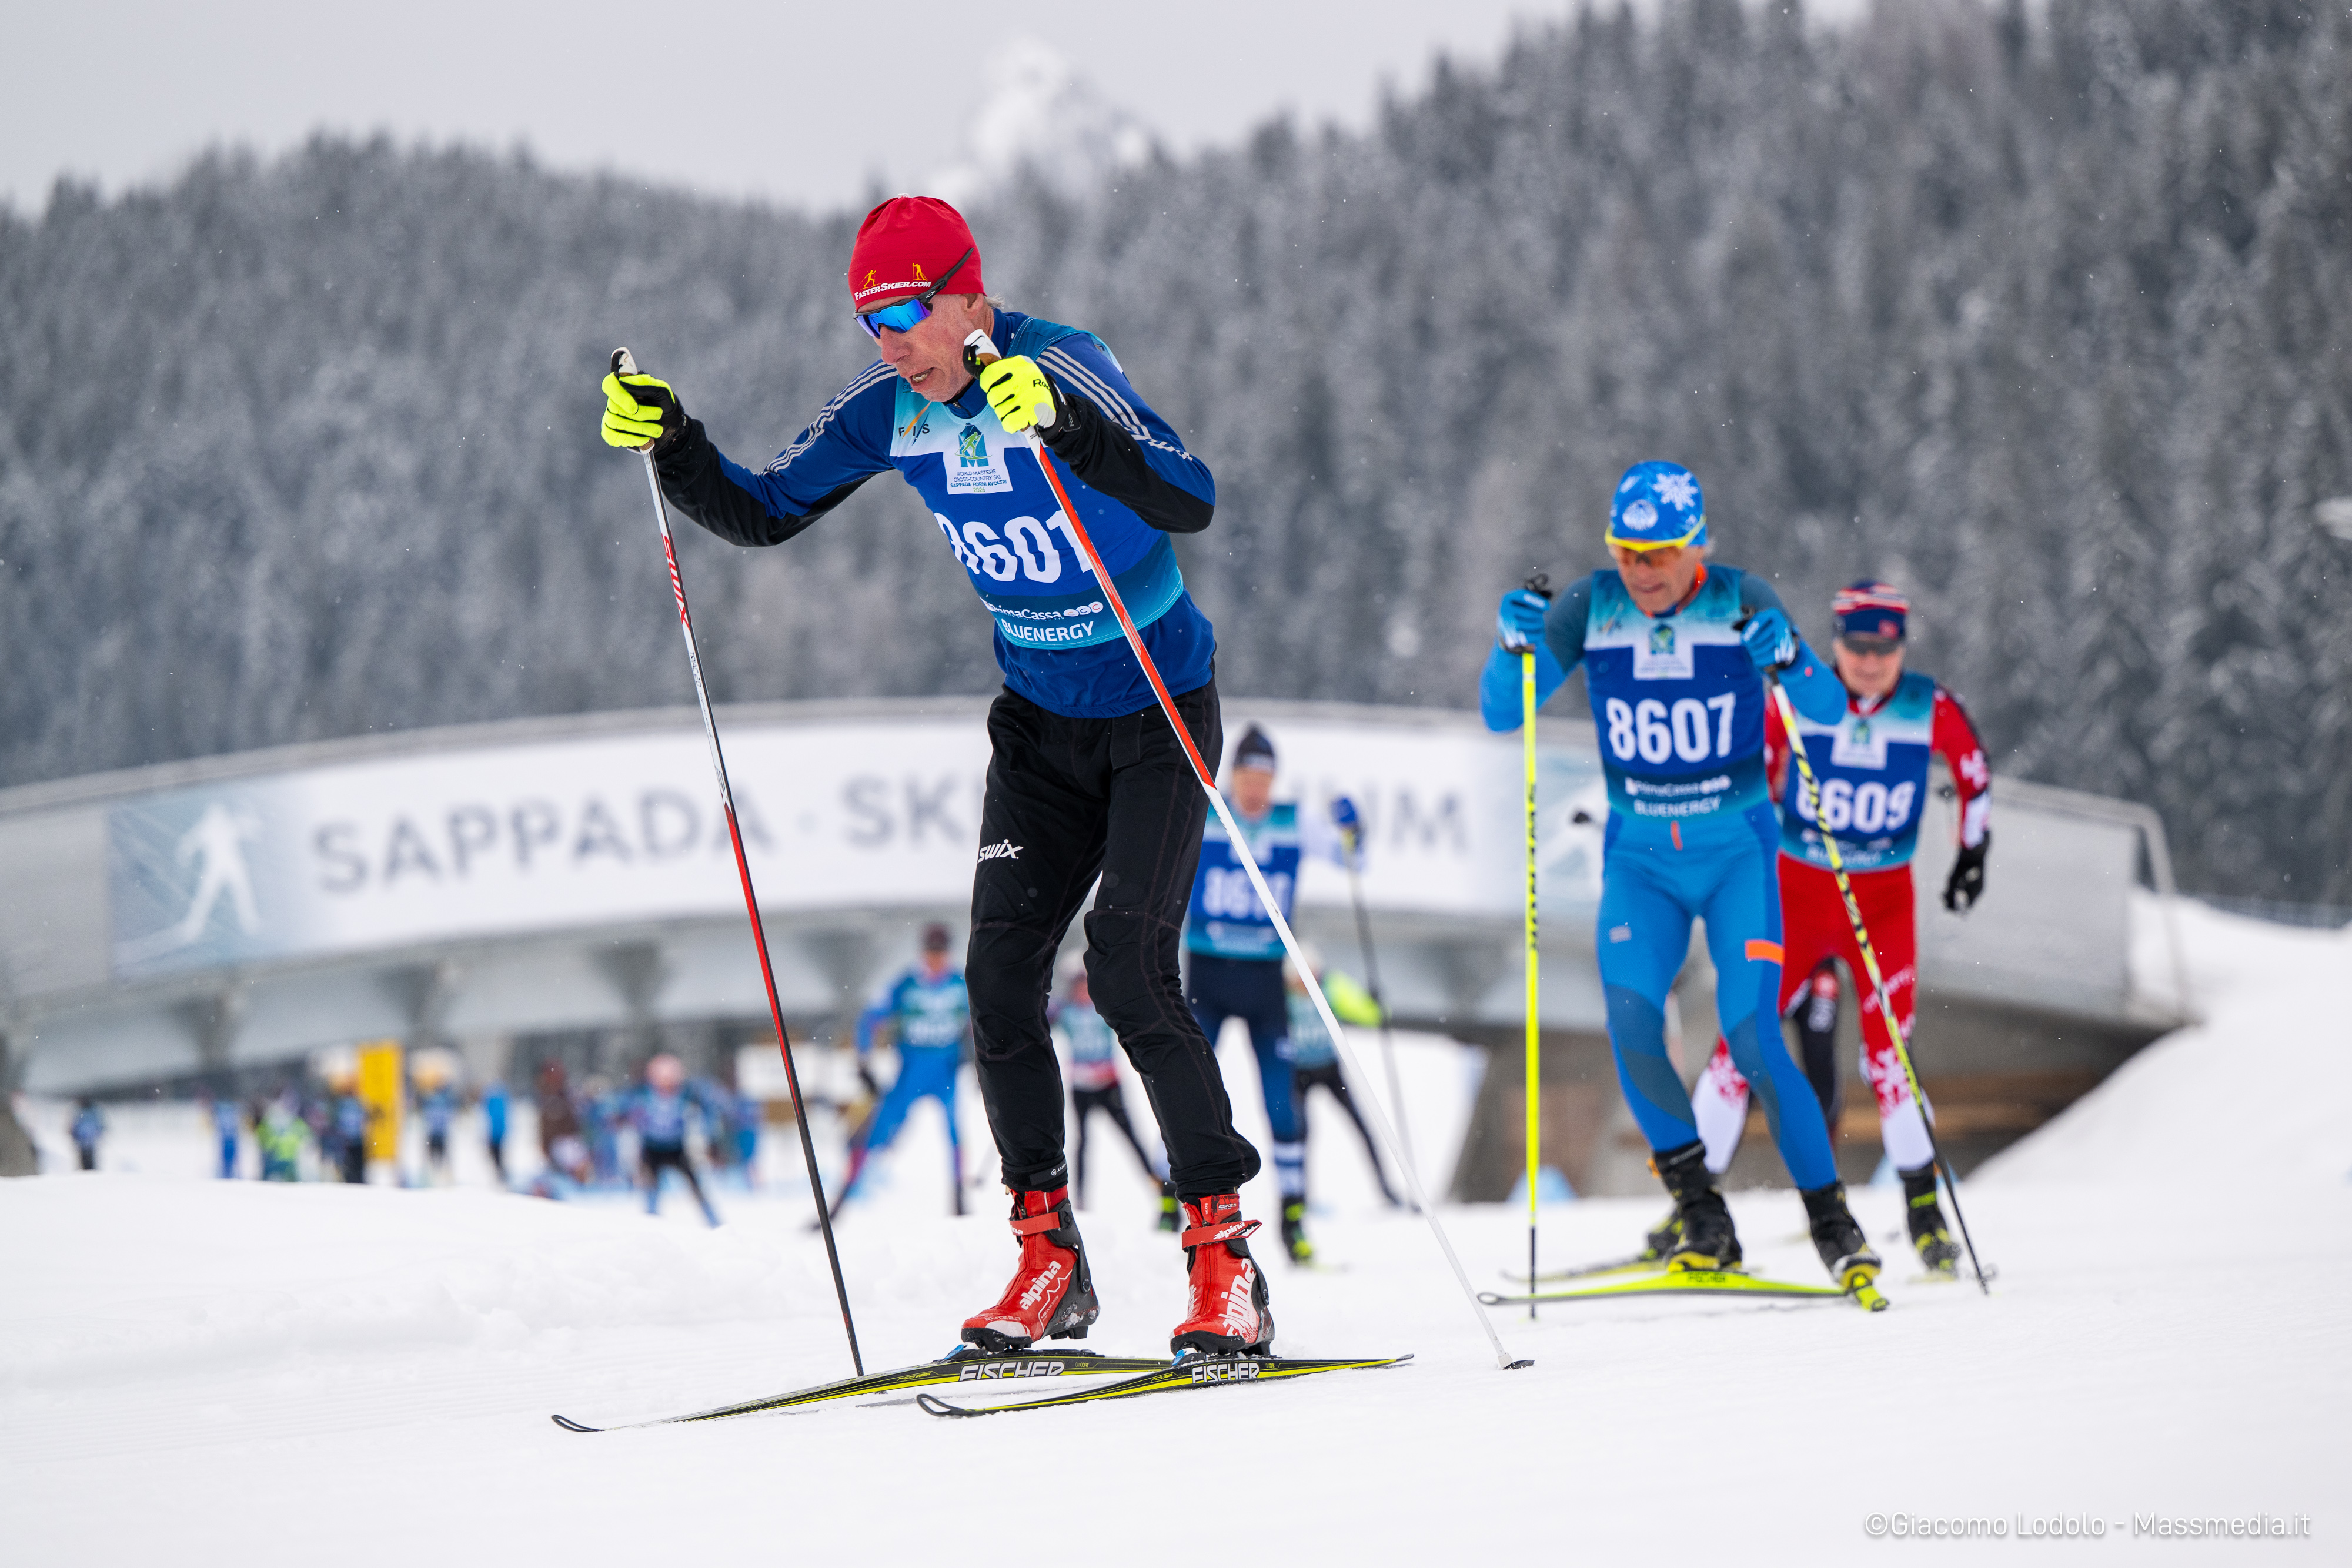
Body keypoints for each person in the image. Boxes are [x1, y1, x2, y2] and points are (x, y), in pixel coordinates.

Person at [601, 196, 1273, 1355]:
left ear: (970, 295)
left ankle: (1224, 1257)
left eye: (908, 313)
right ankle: (1048, 1255)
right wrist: (674, 442)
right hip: (1039, 727)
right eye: (870, 320)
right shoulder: (890, 408)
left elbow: (1189, 495)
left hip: (1157, 711)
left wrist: (1067, 425)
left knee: (1126, 969)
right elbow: (764, 512)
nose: (891, 341)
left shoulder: (1064, 360)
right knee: (997, 981)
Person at [1478, 460, 1881, 1292]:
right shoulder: (1591, 606)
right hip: (1641, 863)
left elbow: (1829, 710)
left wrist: (1792, 655)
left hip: (1736, 856)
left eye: (1659, 554)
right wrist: (1509, 646)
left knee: (1752, 1033)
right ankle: (1702, 1216)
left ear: (1697, 545)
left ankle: (1833, 1222)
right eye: (1626, 553)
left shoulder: (1740, 599)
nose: (1641, 571)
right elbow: (1501, 711)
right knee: (1631, 1022)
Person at [1685, 580, 1990, 1277]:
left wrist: (1971, 854)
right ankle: (1693, 1210)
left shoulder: (1928, 706)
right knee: (1739, 1043)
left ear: (1901, 646)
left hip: (1880, 907)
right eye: (1857, 647)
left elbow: (1973, 776)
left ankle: (1925, 1216)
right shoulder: (1797, 695)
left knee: (1889, 1061)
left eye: (1884, 648)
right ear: (1835, 644)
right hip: (1797, 898)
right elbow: (1747, 773)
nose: (1871, 662)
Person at [1183, 723, 1361, 1265]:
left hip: (1264, 983)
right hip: (1209, 977)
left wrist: (1354, 831)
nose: (1256, 789)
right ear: (1233, 776)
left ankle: (1293, 1219)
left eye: (1264, 778)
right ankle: (1179, 1202)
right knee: (1186, 1089)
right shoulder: (1206, 811)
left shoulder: (1293, 822)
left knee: (1283, 1106)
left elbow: (1354, 859)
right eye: (1247, 777)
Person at [831, 922, 971, 1219]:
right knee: (874, 1133)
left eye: (941, 952)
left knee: (955, 1136)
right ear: (923, 952)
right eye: (931, 951)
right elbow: (870, 1018)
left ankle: (961, 1204)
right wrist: (864, 1061)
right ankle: (840, 1201)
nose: (936, 959)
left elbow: (982, 1022)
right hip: (910, 1075)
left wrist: (978, 1055)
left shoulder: (960, 984)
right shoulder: (906, 985)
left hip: (945, 1074)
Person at [1051, 966, 1174, 1225]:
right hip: (1081, 1088)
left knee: (1132, 1140)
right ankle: (1079, 1203)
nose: (1083, 993)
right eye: (1078, 988)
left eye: (1086, 987)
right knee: (1082, 1145)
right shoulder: (1067, 1012)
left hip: (1108, 1086)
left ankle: (1161, 1192)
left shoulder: (1102, 1010)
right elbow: (1046, 1017)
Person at [1282, 955, 1402, 1215]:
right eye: (1297, 979)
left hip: (1330, 1070)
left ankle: (1387, 1190)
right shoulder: (1282, 995)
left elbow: (1369, 1014)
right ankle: (1299, 1199)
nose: (1304, 984)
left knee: (1362, 1127)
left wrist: (1374, 1004)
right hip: (1299, 1073)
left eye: (1310, 975)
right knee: (1300, 1135)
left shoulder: (1331, 987)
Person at [632, 1053, 721, 1226]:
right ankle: (650, 1226)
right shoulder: (644, 1095)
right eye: (663, 1081)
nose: (667, 1086)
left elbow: (707, 1114)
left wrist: (710, 1138)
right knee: (651, 1191)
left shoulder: (687, 1094)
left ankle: (715, 1225)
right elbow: (629, 1114)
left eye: (671, 1081)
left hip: (677, 1148)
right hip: (652, 1148)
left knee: (697, 1188)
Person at [482, 1078, 510, 1183]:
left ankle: (499, 1173)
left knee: (495, 1154)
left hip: (494, 1133)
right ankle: (499, 1172)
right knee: (498, 1154)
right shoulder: (502, 1101)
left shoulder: (490, 1102)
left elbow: (486, 1119)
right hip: (499, 1133)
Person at [208, 1092, 241, 1179]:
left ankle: (229, 1176)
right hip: (226, 1140)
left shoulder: (230, 1110)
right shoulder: (228, 1110)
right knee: (226, 1160)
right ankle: (226, 1176)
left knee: (230, 1160)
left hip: (230, 1140)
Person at [70, 1098, 104, 1171]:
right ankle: (86, 1171)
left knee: (89, 1157)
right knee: (84, 1157)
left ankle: (90, 1171)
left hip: (89, 1141)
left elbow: (98, 1125)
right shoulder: (81, 1112)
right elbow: (75, 1126)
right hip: (83, 1141)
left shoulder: (90, 1112)